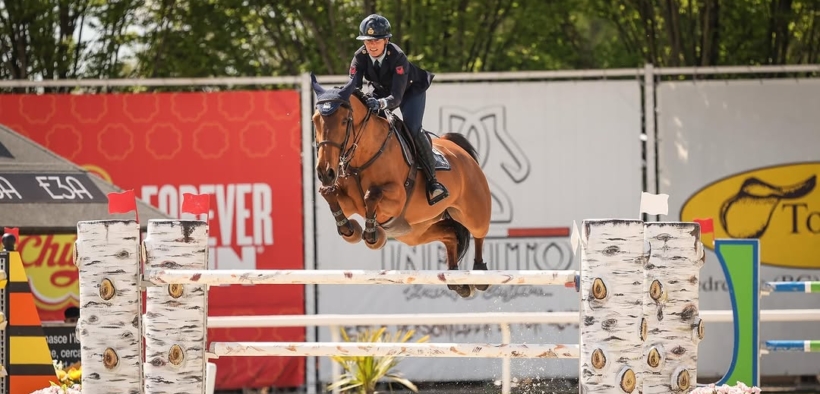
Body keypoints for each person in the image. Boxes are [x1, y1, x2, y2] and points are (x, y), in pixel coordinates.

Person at [348, 14, 449, 206]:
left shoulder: (398, 57)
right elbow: (352, 86)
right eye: (367, 41)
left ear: (386, 40)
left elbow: (396, 97)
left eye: (376, 40)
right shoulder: (359, 57)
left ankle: (433, 182)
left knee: (412, 127)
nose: (372, 45)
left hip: (409, 91)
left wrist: (381, 104)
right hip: (380, 90)